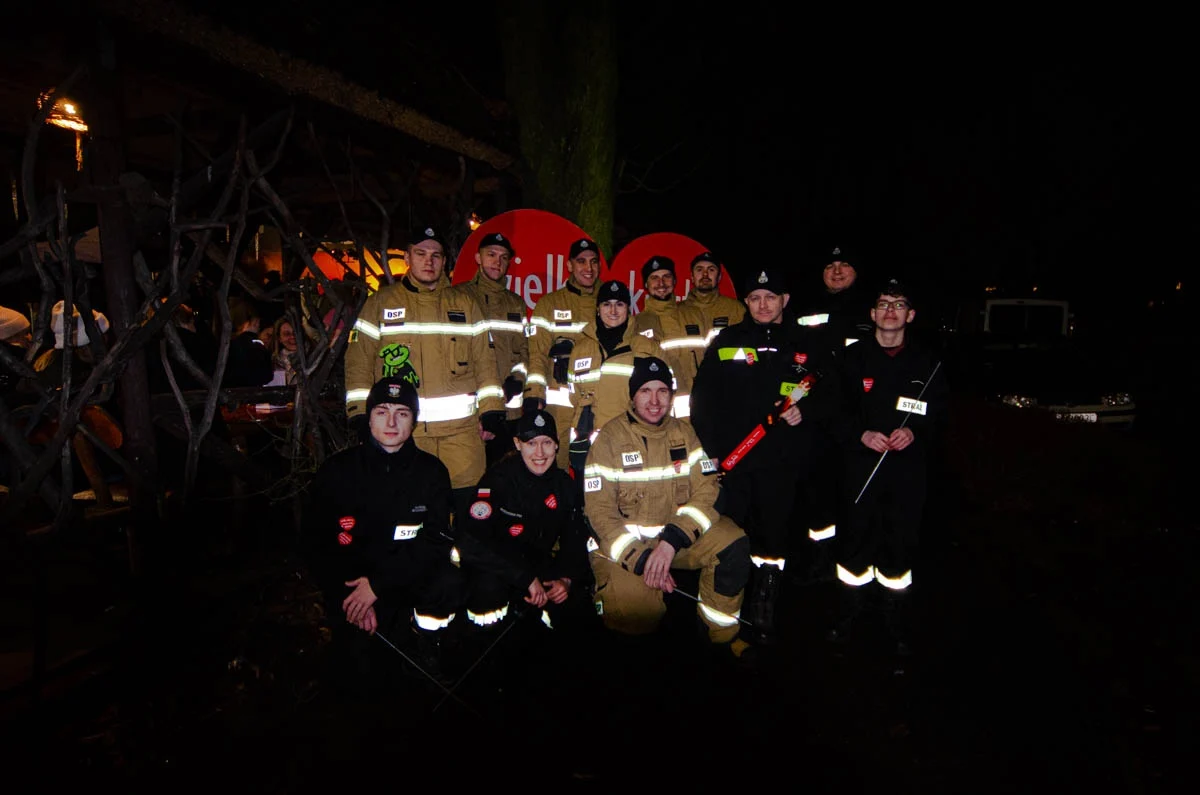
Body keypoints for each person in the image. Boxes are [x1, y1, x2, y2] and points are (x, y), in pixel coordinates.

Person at [691, 266, 838, 645]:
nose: (762, 305)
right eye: (755, 298)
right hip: (736, 461)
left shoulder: (807, 343)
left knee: (774, 535)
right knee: (732, 534)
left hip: (783, 463)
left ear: (784, 300)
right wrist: (714, 451)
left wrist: (806, 410)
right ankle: (724, 603)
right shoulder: (728, 340)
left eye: (770, 297)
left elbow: (833, 393)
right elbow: (703, 400)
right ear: (746, 302)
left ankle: (765, 600)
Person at [584, 356, 755, 661]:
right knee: (634, 615)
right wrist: (643, 561)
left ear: (671, 396)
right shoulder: (608, 440)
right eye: (645, 391)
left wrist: (671, 542)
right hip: (627, 549)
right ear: (632, 396)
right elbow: (600, 515)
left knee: (732, 544)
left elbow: (709, 490)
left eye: (662, 391)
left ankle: (720, 635)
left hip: (673, 541)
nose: (654, 401)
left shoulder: (684, 433)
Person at [304, 375, 464, 686]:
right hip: (353, 589)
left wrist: (378, 585)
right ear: (369, 417)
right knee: (360, 676)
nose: (391, 422)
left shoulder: (431, 472)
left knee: (449, 581)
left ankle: (427, 641)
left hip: (405, 582)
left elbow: (436, 541)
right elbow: (315, 542)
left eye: (402, 413)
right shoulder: (337, 471)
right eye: (382, 412)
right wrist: (353, 597)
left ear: (414, 421)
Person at [343, 226, 506, 522]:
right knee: (408, 513)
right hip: (405, 436)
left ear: (444, 261)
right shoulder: (380, 303)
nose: (428, 262)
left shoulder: (465, 304)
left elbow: (486, 360)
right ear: (407, 258)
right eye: (420, 254)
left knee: (466, 515)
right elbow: (358, 361)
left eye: (435, 255)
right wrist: (359, 412)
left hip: (462, 437)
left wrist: (492, 410)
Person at [827, 278, 947, 656]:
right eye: (883, 304)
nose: (890, 311)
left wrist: (916, 433)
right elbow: (832, 411)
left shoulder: (928, 361)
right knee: (854, 543)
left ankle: (895, 622)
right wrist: (860, 435)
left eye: (898, 305)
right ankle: (849, 615)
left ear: (910, 315)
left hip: (907, 472)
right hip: (860, 469)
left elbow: (939, 414)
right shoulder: (850, 359)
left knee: (899, 545)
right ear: (872, 313)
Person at [457, 408, 590, 635]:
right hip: (499, 568)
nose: (540, 453)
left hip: (538, 566)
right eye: (531, 443)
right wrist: (524, 578)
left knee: (578, 607)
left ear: (557, 446)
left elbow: (575, 539)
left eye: (547, 443)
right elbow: (471, 541)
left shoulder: (564, 485)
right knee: (488, 593)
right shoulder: (497, 480)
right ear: (517, 444)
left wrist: (566, 579)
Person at [789, 244, 876, 582]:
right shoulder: (806, 309)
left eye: (844, 265)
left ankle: (855, 556)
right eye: (830, 266)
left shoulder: (872, 309)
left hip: (860, 418)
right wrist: (793, 401)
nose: (837, 271)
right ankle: (820, 556)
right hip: (815, 419)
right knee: (817, 490)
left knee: (856, 490)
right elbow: (794, 362)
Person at [565, 279, 667, 479]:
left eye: (619, 304)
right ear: (598, 308)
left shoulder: (647, 348)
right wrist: (580, 436)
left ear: (628, 309)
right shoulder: (581, 348)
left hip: (633, 441)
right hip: (590, 445)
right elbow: (574, 397)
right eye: (606, 304)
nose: (613, 310)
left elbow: (665, 396)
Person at [450, 232, 528, 465]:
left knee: (504, 477)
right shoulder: (459, 296)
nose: (497, 262)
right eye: (491, 255)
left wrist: (517, 379)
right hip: (471, 413)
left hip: (509, 411)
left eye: (503, 257)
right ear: (478, 258)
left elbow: (525, 350)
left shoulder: (516, 303)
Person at [525, 237, 602, 467]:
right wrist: (534, 395)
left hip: (599, 405)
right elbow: (537, 354)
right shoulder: (549, 304)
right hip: (559, 409)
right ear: (569, 265)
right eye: (581, 261)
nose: (588, 268)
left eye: (593, 262)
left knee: (597, 469)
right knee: (556, 469)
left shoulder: (608, 303)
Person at [634, 256, 706, 420]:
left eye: (666, 276)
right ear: (646, 285)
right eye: (654, 278)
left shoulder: (695, 315)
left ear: (674, 281)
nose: (661, 283)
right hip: (660, 414)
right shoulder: (637, 323)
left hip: (700, 409)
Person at [680, 251, 744, 348]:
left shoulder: (735, 309)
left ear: (719, 277)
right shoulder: (678, 312)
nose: (705, 274)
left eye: (711, 270)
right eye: (699, 270)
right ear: (692, 277)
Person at [224, 297, 274, 387]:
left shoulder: (227, 344)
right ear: (254, 322)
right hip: (251, 391)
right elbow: (266, 376)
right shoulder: (255, 345)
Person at [270, 316, 300, 385]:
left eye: (295, 333)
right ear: (279, 338)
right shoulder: (273, 364)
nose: (292, 337)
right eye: (287, 334)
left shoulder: (314, 359)